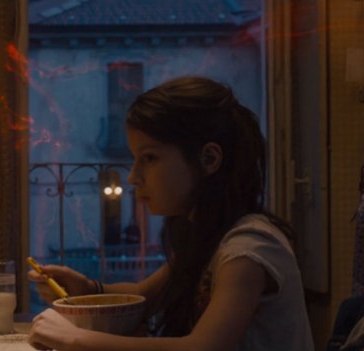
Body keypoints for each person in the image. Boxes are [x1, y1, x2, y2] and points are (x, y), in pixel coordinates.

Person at [27, 76, 315, 351]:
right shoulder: (206, 235)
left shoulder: (248, 248)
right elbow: (143, 296)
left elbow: (203, 347)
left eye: (149, 158)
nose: (133, 177)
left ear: (209, 159)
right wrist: (87, 288)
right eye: (135, 158)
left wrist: (73, 339)